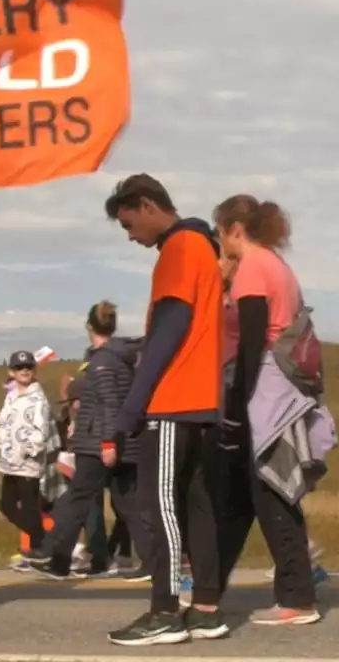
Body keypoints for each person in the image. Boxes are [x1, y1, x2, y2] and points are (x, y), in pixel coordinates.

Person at [103, 173, 226, 647]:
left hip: (173, 400)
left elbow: (171, 328)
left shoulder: (180, 247)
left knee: (159, 507)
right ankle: (207, 609)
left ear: (148, 204)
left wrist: (133, 406)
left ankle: (165, 610)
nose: (132, 237)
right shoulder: (204, 248)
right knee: (197, 506)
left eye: (130, 224)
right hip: (202, 402)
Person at [212, 194, 335, 627]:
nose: (219, 240)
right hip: (287, 388)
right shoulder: (278, 266)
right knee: (268, 492)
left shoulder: (251, 270)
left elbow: (249, 345)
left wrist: (234, 406)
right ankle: (288, 591)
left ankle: (297, 598)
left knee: (272, 493)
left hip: (268, 391)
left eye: (219, 231)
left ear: (234, 230)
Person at [31, 302, 151, 581]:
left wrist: (108, 443)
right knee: (127, 503)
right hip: (116, 441)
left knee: (78, 500)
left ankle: (59, 561)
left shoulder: (103, 362)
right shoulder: (120, 358)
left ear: (89, 327)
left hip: (98, 444)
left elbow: (110, 404)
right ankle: (152, 560)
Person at [0, 351, 66, 571]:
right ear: (12, 372)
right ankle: (44, 543)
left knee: (29, 508)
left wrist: (27, 451)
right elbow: (3, 424)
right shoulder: (11, 395)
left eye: (28, 367)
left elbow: (40, 432)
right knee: (6, 505)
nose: (24, 371)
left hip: (28, 464)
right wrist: (4, 448)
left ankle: (42, 548)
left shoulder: (38, 399)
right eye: (19, 368)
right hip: (9, 462)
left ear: (34, 371)